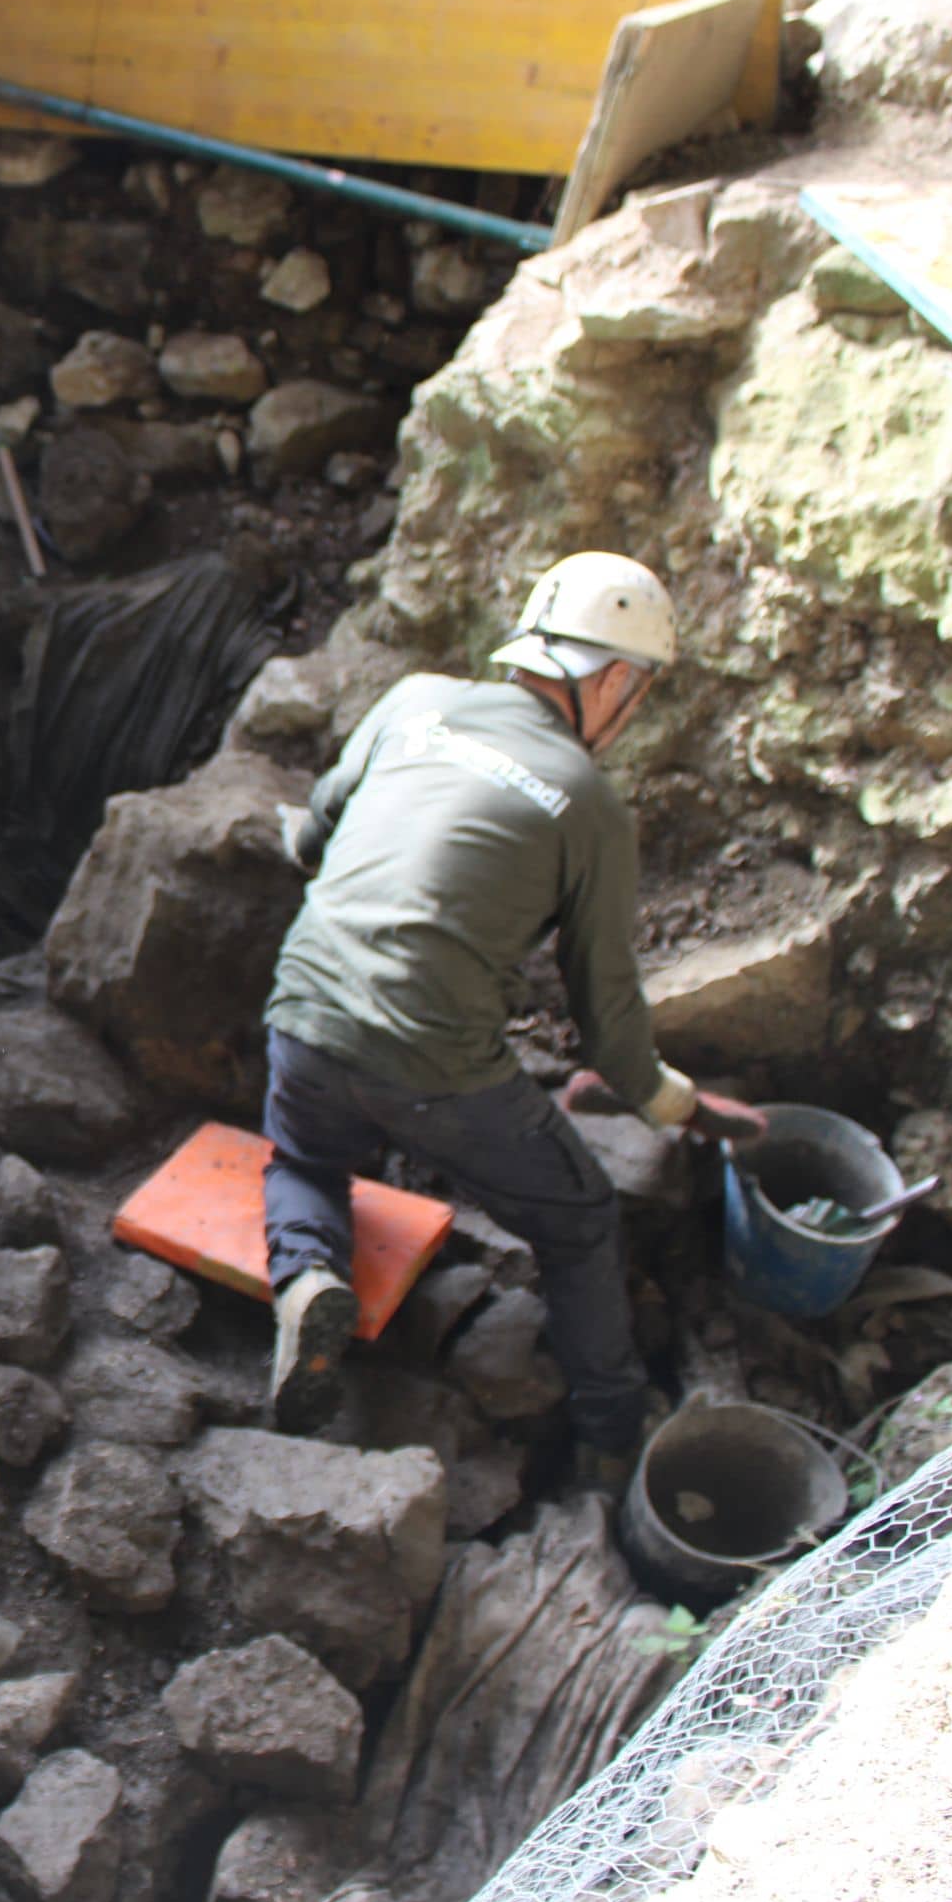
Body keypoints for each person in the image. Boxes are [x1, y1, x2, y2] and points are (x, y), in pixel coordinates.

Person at [258, 553, 767, 1464]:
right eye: (639, 692)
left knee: (303, 1156)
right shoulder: (588, 804)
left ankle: (304, 1279)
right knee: (580, 1221)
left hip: (303, 1016)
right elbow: (607, 1017)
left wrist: (295, 831)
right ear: (612, 679)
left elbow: (317, 833)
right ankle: (616, 1433)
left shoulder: (414, 700)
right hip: (435, 1068)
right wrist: (676, 1106)